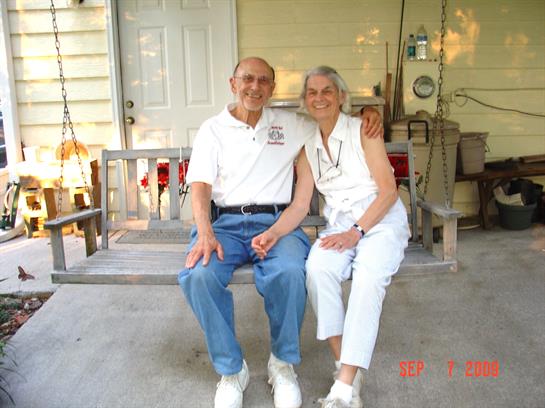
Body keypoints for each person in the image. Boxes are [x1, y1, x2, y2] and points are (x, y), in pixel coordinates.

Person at [178, 57, 383, 408]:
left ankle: (282, 363)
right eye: (247, 79)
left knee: (290, 272)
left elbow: (329, 115)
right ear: (233, 83)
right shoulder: (213, 129)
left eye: (262, 81)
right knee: (198, 276)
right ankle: (231, 371)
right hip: (224, 225)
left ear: (271, 88)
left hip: (277, 223)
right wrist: (205, 232)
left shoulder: (291, 124)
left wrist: (368, 112)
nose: (254, 87)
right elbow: (200, 187)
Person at [254, 65, 410, 408]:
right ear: (305, 101)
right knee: (317, 270)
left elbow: (388, 192)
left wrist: (358, 233)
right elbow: (298, 205)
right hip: (339, 226)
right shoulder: (307, 144)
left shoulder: (363, 130)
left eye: (327, 91)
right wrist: (273, 232)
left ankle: (343, 389)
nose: (319, 97)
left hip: (379, 221)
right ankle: (347, 368)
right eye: (312, 92)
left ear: (341, 96)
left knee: (368, 278)